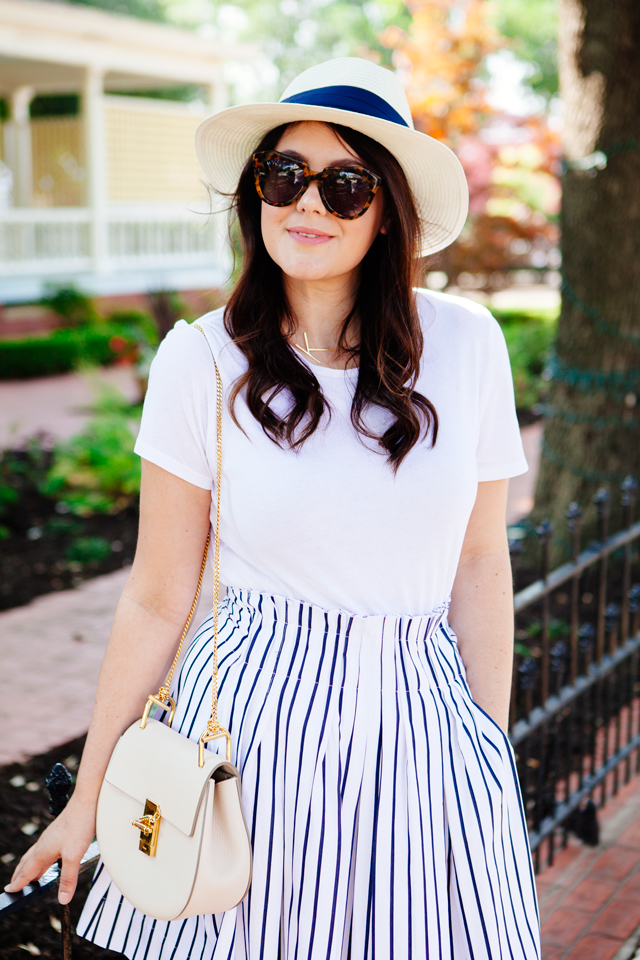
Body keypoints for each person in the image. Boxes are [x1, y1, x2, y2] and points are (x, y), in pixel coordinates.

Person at [6, 58, 540, 959]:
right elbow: (155, 595)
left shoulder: (468, 345)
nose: (309, 205)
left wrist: (488, 750)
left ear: (389, 207)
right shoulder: (202, 360)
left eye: (346, 184)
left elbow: (483, 559)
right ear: (256, 191)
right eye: (284, 175)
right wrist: (90, 794)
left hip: (421, 727)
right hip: (251, 732)